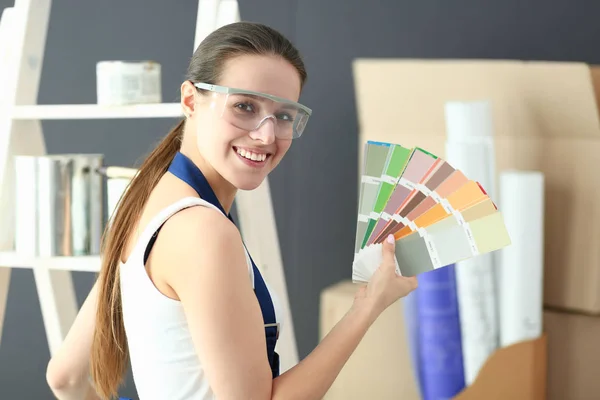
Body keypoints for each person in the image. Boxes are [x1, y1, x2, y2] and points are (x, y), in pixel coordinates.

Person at [45, 21, 418, 400]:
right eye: (244, 106)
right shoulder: (202, 231)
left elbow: (66, 377)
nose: (266, 135)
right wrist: (367, 307)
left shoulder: (145, 200)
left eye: (285, 115)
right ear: (190, 100)